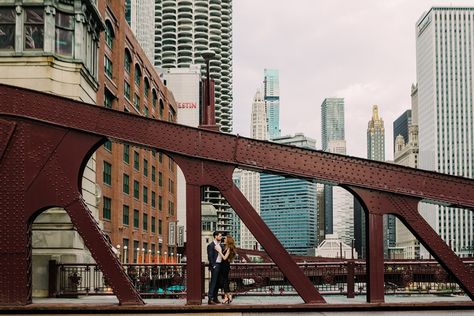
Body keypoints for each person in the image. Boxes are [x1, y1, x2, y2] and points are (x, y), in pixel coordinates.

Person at [215, 235, 236, 304]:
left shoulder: (229, 248)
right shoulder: (226, 247)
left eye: (225, 239)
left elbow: (224, 258)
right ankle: (227, 297)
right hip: (223, 266)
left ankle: (228, 296)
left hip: (225, 266)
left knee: (224, 281)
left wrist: (219, 251)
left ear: (228, 240)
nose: (224, 239)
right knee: (224, 281)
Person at [207, 231, 223, 304]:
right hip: (215, 266)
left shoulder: (221, 245)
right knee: (213, 283)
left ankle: (215, 298)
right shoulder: (211, 245)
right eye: (219, 236)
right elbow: (210, 257)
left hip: (220, 265)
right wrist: (213, 265)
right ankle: (210, 299)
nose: (221, 237)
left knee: (218, 283)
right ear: (215, 236)